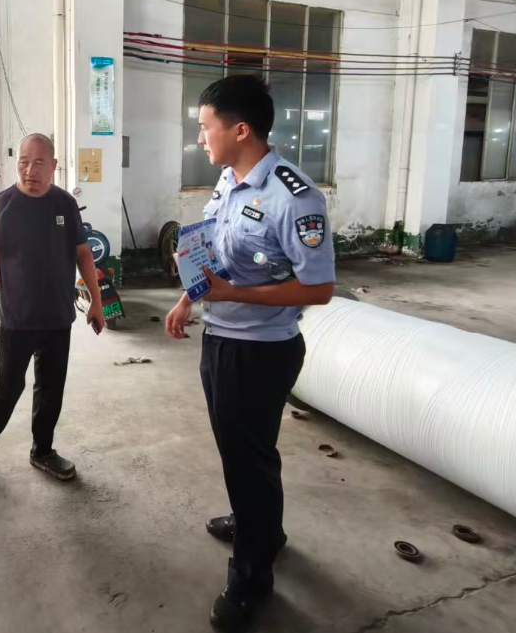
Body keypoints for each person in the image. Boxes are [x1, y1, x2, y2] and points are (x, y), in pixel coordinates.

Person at [165, 75, 335, 631]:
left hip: (261, 350)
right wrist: (188, 298)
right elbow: (213, 247)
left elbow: (319, 288)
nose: (200, 138)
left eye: (205, 127)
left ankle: (251, 577)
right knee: (242, 454)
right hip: (221, 337)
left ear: (240, 130)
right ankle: (262, 526)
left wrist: (232, 294)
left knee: (248, 458)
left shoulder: (295, 197)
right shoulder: (229, 179)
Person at [0, 133, 105, 487]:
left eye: (39, 163)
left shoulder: (65, 203)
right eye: (24, 162)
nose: (30, 171)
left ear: (54, 166)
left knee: (51, 389)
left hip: (58, 317)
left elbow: (83, 254)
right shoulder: (2, 205)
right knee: (6, 388)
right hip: (18, 318)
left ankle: (43, 451)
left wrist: (96, 301)